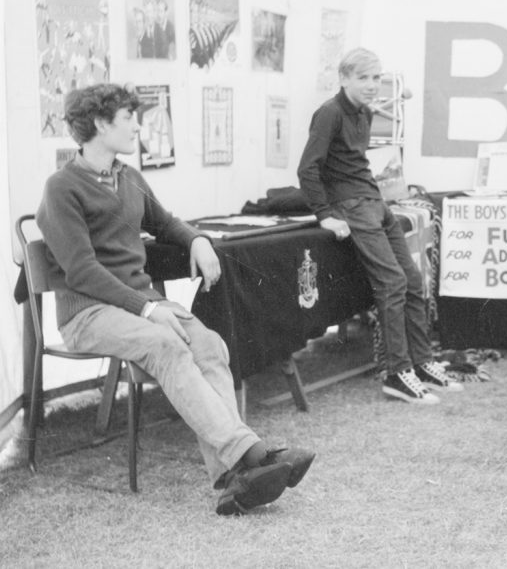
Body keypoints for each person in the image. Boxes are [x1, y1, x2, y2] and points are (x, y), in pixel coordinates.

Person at [36, 83, 314, 515]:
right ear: (99, 124)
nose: (137, 127)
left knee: (210, 345)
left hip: (136, 306)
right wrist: (147, 308)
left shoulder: (129, 177)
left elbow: (166, 224)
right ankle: (251, 456)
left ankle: (234, 480)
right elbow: (81, 272)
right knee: (165, 343)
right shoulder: (61, 189)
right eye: (128, 118)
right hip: (88, 312)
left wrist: (197, 241)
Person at [297, 47, 461, 404]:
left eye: (376, 78)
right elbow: (308, 168)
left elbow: (356, 164)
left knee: (413, 282)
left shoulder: (366, 113)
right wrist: (325, 214)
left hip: (375, 203)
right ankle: (397, 373)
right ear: (343, 78)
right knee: (393, 282)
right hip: (352, 207)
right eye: (364, 78)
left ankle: (421, 363)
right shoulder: (328, 114)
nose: (372, 85)